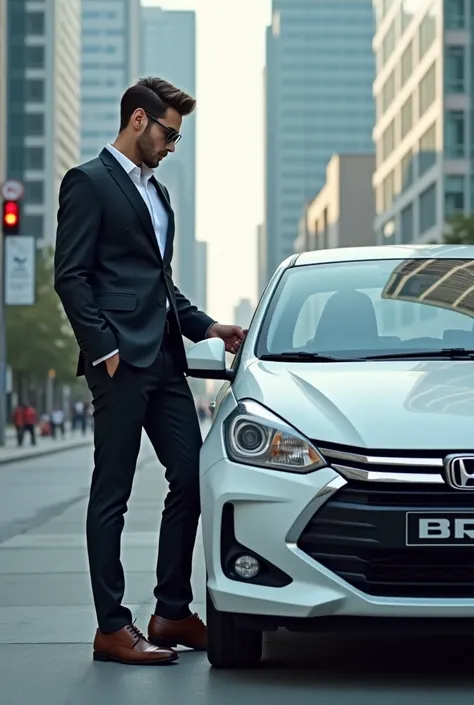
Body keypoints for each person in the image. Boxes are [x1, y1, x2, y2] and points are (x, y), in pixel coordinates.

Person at [54, 77, 245, 666]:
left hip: (166, 360)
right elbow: (72, 275)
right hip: (119, 364)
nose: (170, 145)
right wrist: (105, 348)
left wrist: (211, 327)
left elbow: (161, 287)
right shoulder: (88, 182)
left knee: (190, 476)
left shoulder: (159, 195)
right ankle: (112, 627)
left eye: (177, 138)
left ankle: (170, 611)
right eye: (168, 133)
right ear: (138, 120)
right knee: (111, 492)